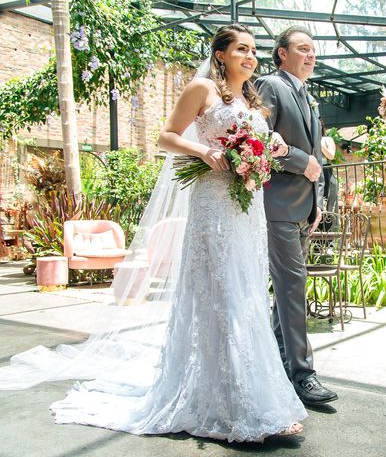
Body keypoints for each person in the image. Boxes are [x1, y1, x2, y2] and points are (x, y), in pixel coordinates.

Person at [2, 24, 307, 442]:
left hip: (246, 208)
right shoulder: (201, 89)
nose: (250, 57)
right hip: (213, 207)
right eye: (241, 49)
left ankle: (252, 396)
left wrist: (265, 153)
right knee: (223, 297)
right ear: (220, 55)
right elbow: (166, 136)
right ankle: (236, 407)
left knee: (248, 296)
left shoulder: (252, 100)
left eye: (253, 51)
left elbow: (255, 148)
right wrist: (204, 150)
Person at [255, 26, 338, 405]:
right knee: (293, 285)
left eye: (314, 51)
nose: (311, 56)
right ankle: (303, 375)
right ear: (281, 54)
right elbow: (257, 141)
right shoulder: (270, 86)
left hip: (303, 209)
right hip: (276, 206)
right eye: (303, 49)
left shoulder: (308, 97)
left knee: (287, 289)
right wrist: (302, 161)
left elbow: (318, 161)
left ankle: (276, 363)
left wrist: (318, 202)